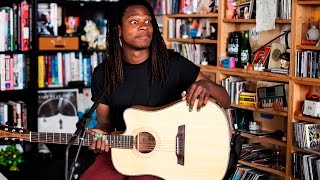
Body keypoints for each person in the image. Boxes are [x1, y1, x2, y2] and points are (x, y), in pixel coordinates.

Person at [80, 0, 230, 179]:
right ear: (118, 30)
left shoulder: (174, 64)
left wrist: (208, 86)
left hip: (167, 160)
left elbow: (226, 100)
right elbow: (104, 123)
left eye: (148, 21)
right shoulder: (103, 74)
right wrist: (99, 137)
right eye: (134, 22)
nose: (144, 26)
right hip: (122, 152)